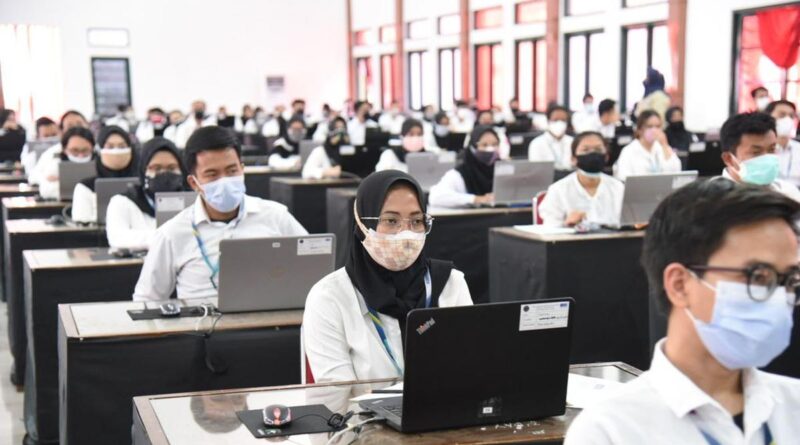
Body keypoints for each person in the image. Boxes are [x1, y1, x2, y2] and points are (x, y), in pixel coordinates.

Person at [565, 178, 800, 444]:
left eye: (790, 280)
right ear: (679, 284)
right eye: (758, 277)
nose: (779, 297)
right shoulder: (611, 430)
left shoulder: (793, 406)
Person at [303, 170, 473, 383]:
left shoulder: (450, 283)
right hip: (364, 407)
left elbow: (470, 368)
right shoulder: (329, 297)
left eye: (416, 221)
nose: (406, 233)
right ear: (363, 224)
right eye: (391, 221)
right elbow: (335, 395)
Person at [132, 126, 307, 301]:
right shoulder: (172, 233)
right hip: (201, 317)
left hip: (271, 315)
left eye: (232, 171)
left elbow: (311, 267)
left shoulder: (276, 216)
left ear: (242, 169)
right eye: (212, 175)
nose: (224, 181)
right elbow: (147, 298)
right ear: (194, 183)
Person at [105, 137, 187, 250]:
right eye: (156, 168)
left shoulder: (191, 202)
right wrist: (171, 237)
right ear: (144, 171)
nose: (164, 173)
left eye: (171, 168)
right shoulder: (122, 202)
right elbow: (118, 238)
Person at [539, 132, 624, 227]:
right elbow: (549, 227)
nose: (593, 154)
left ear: (606, 157)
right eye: (585, 150)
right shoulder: (558, 190)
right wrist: (566, 224)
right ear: (573, 159)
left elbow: (627, 223)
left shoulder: (618, 187)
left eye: (598, 149)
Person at [719, 112, 800, 202]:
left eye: (771, 150)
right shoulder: (714, 200)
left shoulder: (789, 194)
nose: (767, 158)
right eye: (756, 152)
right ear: (729, 159)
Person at [71, 125, 137, 223]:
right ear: (99, 151)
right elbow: (81, 221)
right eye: (110, 147)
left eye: (122, 146)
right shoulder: (85, 187)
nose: (116, 151)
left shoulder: (141, 185)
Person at [429, 125, 500, 208]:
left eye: (495, 144)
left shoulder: (502, 169)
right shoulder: (461, 173)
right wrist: (476, 199)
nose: (491, 149)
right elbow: (435, 197)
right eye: (484, 145)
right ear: (473, 147)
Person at [614, 109, 681, 181]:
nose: (654, 130)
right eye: (650, 126)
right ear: (640, 130)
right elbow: (623, 177)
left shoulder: (661, 147)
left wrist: (665, 145)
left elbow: (676, 170)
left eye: (657, 126)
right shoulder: (629, 151)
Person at [28, 110, 89, 186]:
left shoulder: (97, 150)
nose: (76, 128)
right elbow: (33, 177)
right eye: (70, 126)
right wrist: (46, 179)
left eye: (79, 124)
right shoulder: (52, 152)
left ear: (87, 125)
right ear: (62, 131)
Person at [38, 126, 95, 199]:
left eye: (85, 150)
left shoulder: (99, 164)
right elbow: (45, 190)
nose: (80, 156)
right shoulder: (55, 163)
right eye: (75, 150)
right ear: (64, 149)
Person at [528, 105, 574, 171]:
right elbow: (535, 169)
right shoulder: (537, 143)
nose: (559, 123)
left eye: (563, 120)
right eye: (555, 120)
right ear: (548, 121)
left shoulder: (572, 142)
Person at [765, 100, 800, 187]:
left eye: (791, 116)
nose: (787, 120)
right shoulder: (759, 149)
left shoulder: (798, 149)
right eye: (782, 115)